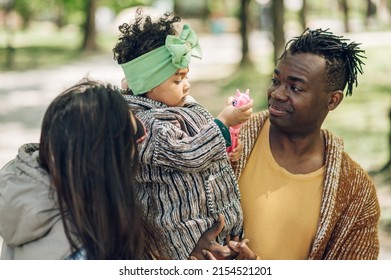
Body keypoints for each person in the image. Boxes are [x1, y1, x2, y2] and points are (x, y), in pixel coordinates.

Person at [192, 28, 381, 260]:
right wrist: (192, 246)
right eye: (276, 80)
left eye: (295, 87)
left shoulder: (356, 193)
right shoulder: (224, 141)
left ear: (333, 100)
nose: (277, 93)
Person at [112, 9, 253, 260]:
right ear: (147, 85)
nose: (186, 85)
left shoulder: (180, 104)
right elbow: (188, 154)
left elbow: (203, 142)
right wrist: (222, 123)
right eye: (177, 80)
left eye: (186, 76)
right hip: (181, 238)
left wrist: (227, 143)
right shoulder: (143, 126)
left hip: (218, 224)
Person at [0, 78, 163, 260]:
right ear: (106, 160)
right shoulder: (83, 251)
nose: (140, 143)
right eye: (134, 135)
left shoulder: (33, 198)